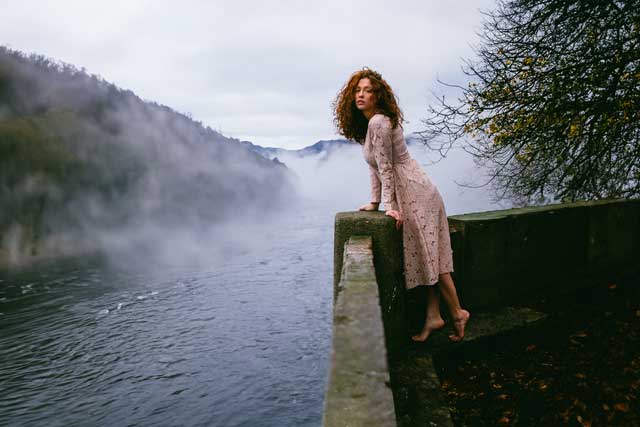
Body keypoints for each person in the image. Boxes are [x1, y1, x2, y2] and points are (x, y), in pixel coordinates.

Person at [332, 68, 470, 342]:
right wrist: (375, 202)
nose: (361, 95)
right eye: (357, 90)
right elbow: (375, 167)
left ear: (378, 95)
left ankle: (457, 312)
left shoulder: (379, 123)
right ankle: (434, 317)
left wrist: (388, 205)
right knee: (424, 256)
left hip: (416, 192)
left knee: (432, 258)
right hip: (409, 189)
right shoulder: (370, 124)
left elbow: (386, 167)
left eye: (368, 90)